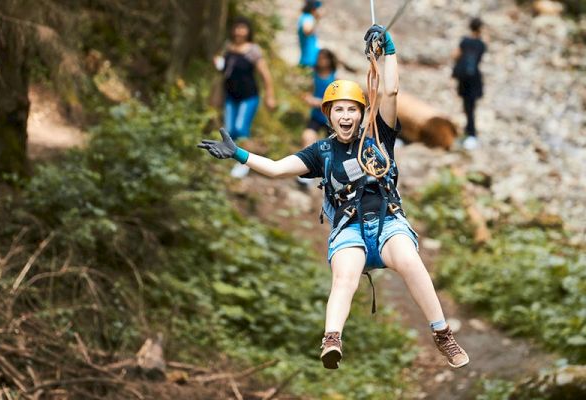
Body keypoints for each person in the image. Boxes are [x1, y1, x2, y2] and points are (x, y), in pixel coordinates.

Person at [199, 25, 469, 370]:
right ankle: (332, 339)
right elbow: (278, 168)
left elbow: (391, 90)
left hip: (387, 222)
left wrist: (388, 51)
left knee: (410, 260)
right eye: (338, 110)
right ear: (328, 114)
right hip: (349, 230)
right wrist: (239, 154)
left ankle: (442, 332)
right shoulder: (321, 152)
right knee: (344, 277)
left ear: (361, 113)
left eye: (351, 110)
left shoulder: (379, 136)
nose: (345, 116)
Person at [214, 17, 276, 178]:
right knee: (229, 130)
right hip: (230, 96)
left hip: (248, 96)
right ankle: (233, 156)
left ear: (248, 31)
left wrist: (270, 96)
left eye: (243, 28)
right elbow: (225, 71)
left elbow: (265, 75)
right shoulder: (228, 47)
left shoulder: (253, 50)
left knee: (241, 128)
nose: (239, 31)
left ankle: (244, 163)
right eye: (237, 27)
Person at [297, 48, 337, 189]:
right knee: (307, 137)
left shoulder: (335, 77)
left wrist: (319, 102)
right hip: (316, 117)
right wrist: (308, 98)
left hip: (331, 119)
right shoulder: (312, 75)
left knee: (333, 150)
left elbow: (338, 100)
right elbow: (305, 92)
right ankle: (306, 171)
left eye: (325, 58)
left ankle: (331, 178)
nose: (322, 61)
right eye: (320, 58)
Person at [452, 17, 487, 151]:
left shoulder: (464, 41)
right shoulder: (481, 44)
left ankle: (469, 131)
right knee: (471, 106)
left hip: (463, 78)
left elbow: (455, 55)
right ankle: (471, 133)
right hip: (475, 78)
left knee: (467, 106)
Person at [298, 0, 322, 68]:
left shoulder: (305, 17)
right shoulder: (308, 17)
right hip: (309, 60)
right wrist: (316, 20)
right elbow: (307, 30)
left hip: (311, 59)